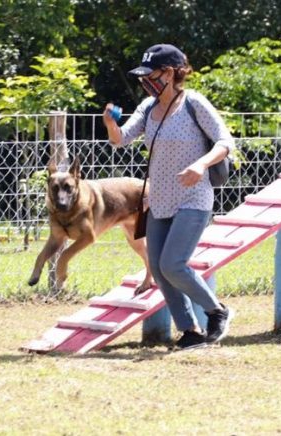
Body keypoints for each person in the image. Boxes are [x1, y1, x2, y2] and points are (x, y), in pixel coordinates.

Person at [102, 43, 234, 349]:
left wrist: (200, 164)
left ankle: (217, 311)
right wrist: (111, 124)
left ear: (171, 73)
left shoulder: (194, 103)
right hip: (158, 202)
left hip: (194, 199)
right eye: (142, 76)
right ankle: (190, 331)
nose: (145, 81)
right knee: (160, 270)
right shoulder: (147, 108)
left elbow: (225, 142)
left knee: (174, 264)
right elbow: (121, 140)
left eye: (152, 74)